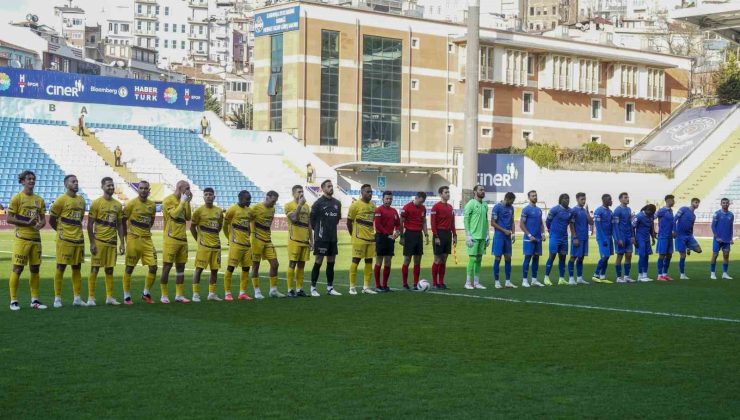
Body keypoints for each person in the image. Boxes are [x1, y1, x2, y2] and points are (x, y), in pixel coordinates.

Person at [7, 171, 47, 311]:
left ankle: (34, 300)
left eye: (33, 179)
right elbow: (9, 218)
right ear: (22, 181)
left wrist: (40, 224)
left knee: (35, 268)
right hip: (21, 239)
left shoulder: (39, 200)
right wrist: (27, 223)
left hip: (36, 239)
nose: (32, 181)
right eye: (29, 179)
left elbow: (42, 220)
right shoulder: (17, 198)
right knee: (18, 268)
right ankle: (13, 300)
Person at [49, 175, 87, 307]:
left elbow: (80, 219)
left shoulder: (82, 200)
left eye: (77, 181)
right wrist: (61, 232)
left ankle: (77, 298)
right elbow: (52, 220)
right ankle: (57, 299)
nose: (76, 183)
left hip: (78, 239)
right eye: (73, 181)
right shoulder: (61, 200)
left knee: (77, 267)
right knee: (61, 266)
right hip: (64, 240)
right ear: (66, 185)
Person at [87, 177, 125, 306]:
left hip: (112, 242)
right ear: (102, 187)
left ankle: (109, 297)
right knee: (95, 269)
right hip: (99, 241)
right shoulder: (96, 203)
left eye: (112, 185)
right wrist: (92, 242)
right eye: (108, 185)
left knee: (109, 270)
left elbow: (120, 225)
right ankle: (91, 298)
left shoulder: (118, 205)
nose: (111, 187)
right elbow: (90, 224)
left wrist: (122, 242)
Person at [122, 180, 158, 305]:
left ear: (149, 190)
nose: (143, 190)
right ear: (138, 190)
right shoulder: (131, 204)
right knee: (130, 268)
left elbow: (151, 220)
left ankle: (146, 293)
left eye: (145, 188)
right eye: (141, 188)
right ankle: (126, 296)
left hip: (147, 239)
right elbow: (123, 220)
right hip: (134, 239)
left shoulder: (152, 205)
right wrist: (125, 238)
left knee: (153, 267)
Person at [160, 181, 192, 304]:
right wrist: (183, 201)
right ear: (179, 187)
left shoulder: (184, 200)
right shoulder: (168, 200)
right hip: (171, 239)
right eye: (187, 188)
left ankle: (179, 295)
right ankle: (164, 295)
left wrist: (187, 202)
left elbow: (188, 217)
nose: (189, 190)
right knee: (167, 267)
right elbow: (174, 214)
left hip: (183, 239)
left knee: (181, 268)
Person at [310, 180, 342, 296]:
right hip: (321, 238)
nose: (331, 188)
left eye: (332, 186)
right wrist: (319, 230)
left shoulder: (337, 203)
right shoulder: (318, 203)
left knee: (331, 262)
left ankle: (330, 288)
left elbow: (337, 219)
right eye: (328, 186)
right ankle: (313, 288)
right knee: (318, 261)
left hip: (332, 237)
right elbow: (312, 220)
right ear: (323, 189)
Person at [190, 188, 224, 302]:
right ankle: (195, 294)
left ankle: (212, 293)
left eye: (210, 194)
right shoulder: (199, 211)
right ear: (203, 197)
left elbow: (219, 226)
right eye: (206, 194)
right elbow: (192, 227)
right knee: (199, 269)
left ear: (214, 197)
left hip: (216, 246)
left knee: (215, 270)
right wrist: (198, 240)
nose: (208, 196)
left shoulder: (219, 211)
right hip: (203, 246)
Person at [250, 191, 283, 298]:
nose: (274, 203)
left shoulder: (273, 209)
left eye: (276, 201)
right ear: (267, 197)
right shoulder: (256, 208)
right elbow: (248, 220)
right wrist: (252, 234)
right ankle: (257, 291)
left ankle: (273, 290)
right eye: (273, 200)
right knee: (255, 266)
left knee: (275, 264)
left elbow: (268, 224)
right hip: (256, 240)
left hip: (267, 240)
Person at [223, 190, 254, 300]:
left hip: (246, 245)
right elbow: (224, 226)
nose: (249, 201)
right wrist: (229, 239)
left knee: (246, 269)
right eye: (248, 199)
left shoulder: (249, 211)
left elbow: (248, 226)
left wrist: (248, 236)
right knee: (230, 268)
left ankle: (242, 293)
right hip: (236, 245)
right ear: (241, 198)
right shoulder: (232, 210)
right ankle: (227, 293)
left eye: (250, 198)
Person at [347, 184, 378, 295]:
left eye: (371, 192)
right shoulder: (355, 205)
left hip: (370, 238)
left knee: (369, 261)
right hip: (359, 239)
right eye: (367, 192)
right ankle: (352, 287)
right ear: (362, 192)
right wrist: (353, 235)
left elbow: (372, 222)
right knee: (356, 261)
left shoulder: (373, 206)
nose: (370, 194)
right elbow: (348, 222)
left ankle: (366, 287)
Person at [284, 185, 312, 297]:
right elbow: (294, 219)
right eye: (299, 192)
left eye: (302, 191)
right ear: (293, 193)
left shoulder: (307, 207)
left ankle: (299, 289)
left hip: (305, 241)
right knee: (292, 264)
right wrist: (299, 205)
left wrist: (312, 240)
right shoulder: (288, 205)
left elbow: (309, 225)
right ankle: (290, 290)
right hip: (294, 240)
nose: (301, 194)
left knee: (302, 265)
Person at [400, 192, 429, 290]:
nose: (421, 203)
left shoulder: (423, 208)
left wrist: (426, 234)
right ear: (416, 198)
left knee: (417, 260)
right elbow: (401, 222)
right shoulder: (407, 207)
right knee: (407, 259)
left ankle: (416, 284)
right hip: (409, 234)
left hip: (418, 235)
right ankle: (404, 284)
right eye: (420, 201)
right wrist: (402, 236)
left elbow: (424, 222)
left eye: (423, 202)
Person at [373, 191, 401, 292]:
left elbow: (398, 224)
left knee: (388, 261)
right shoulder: (378, 210)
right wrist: (388, 234)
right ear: (383, 199)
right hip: (381, 237)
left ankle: (385, 285)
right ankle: (377, 285)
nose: (389, 200)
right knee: (379, 261)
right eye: (387, 199)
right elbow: (378, 225)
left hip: (390, 238)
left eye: (390, 199)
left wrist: (397, 232)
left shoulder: (394, 211)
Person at [430, 186, 456, 289]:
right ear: (441, 194)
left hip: (447, 234)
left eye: (448, 192)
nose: (448, 194)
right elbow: (433, 223)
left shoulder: (450, 207)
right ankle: (434, 283)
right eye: (446, 192)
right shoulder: (435, 207)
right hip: (439, 234)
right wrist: (436, 236)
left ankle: (441, 282)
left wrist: (454, 235)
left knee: (444, 259)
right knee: (437, 259)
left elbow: (452, 223)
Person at [463, 185, 488, 289]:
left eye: (483, 190)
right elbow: (466, 220)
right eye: (480, 190)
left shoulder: (485, 205)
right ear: (474, 192)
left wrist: (487, 234)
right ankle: (468, 282)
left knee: (479, 259)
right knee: (472, 259)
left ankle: (476, 282)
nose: (483, 191)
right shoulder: (470, 204)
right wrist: (468, 235)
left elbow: (486, 220)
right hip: (473, 237)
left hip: (482, 236)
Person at [519, 190, 546, 287]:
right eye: (533, 196)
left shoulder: (539, 210)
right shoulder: (526, 209)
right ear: (529, 197)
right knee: (527, 257)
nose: (535, 197)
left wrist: (543, 233)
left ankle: (534, 280)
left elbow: (541, 224)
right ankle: (524, 280)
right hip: (529, 239)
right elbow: (521, 224)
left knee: (536, 258)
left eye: (535, 195)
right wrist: (529, 235)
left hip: (538, 238)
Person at [544, 194, 572, 286]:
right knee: (552, 256)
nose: (567, 200)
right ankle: (546, 277)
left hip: (564, 237)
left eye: (568, 198)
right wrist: (550, 230)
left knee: (563, 258)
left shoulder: (570, 211)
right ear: (560, 200)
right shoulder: (555, 209)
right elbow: (548, 221)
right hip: (555, 237)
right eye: (565, 198)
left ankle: (561, 279)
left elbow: (568, 223)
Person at [491, 192, 516, 289]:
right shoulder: (497, 207)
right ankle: (497, 282)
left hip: (507, 237)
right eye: (511, 201)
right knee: (498, 258)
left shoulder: (511, 208)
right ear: (506, 198)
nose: (512, 203)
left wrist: (513, 233)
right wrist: (504, 230)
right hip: (499, 236)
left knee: (508, 258)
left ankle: (508, 282)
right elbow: (493, 223)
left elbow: (512, 221)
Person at [674, 198, 702, 280]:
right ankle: (682, 274)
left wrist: (692, 236)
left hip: (689, 236)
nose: (697, 204)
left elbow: (691, 226)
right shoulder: (683, 209)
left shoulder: (694, 216)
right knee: (683, 255)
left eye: (698, 203)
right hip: (680, 236)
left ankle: (688, 247)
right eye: (695, 202)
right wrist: (674, 231)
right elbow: (674, 219)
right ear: (691, 202)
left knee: (699, 250)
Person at [567, 192, 592, 286]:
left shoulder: (584, 211)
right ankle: (571, 278)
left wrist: (588, 212)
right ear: (577, 199)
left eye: (584, 199)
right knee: (573, 257)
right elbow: (571, 224)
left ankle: (579, 278)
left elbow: (591, 223)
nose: (584, 201)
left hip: (585, 237)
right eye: (582, 199)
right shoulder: (574, 210)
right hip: (577, 237)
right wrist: (575, 237)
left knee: (581, 258)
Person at [613, 192, 636, 283]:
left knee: (629, 255)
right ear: (620, 199)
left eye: (628, 197)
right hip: (621, 236)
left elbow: (630, 224)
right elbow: (615, 225)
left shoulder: (629, 209)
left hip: (628, 236)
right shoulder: (617, 210)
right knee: (620, 256)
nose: (628, 199)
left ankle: (626, 276)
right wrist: (618, 238)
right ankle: (618, 277)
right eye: (625, 197)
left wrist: (633, 236)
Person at [592, 194, 614, 284]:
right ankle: (595, 275)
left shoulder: (610, 212)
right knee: (605, 256)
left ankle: (603, 276)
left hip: (609, 237)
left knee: (607, 257)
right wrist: (604, 238)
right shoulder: (598, 211)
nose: (611, 201)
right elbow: (598, 226)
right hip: (602, 237)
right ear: (604, 200)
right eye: (609, 199)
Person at [710, 198, 734, 280]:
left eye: (727, 203)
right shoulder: (717, 214)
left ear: (729, 204)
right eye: (723, 203)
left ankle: (725, 273)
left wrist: (731, 238)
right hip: (718, 239)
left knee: (726, 255)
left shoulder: (731, 215)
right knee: (715, 255)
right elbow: (713, 226)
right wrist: (717, 237)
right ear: (721, 204)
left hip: (727, 239)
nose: (725, 204)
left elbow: (731, 227)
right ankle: (712, 273)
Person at [632, 204, 657, 282]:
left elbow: (650, 228)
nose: (651, 213)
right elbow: (632, 227)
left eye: (652, 212)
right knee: (642, 256)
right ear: (646, 209)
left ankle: (645, 275)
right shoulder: (639, 216)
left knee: (646, 256)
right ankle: (640, 275)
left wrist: (652, 238)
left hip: (647, 239)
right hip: (640, 239)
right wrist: (633, 238)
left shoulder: (650, 217)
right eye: (650, 211)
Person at [655, 194, 675, 282]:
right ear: (668, 200)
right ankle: (659, 275)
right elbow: (653, 217)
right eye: (672, 200)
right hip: (663, 236)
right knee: (662, 255)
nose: (674, 202)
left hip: (670, 237)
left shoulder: (671, 210)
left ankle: (665, 274)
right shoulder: (662, 210)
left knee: (669, 255)